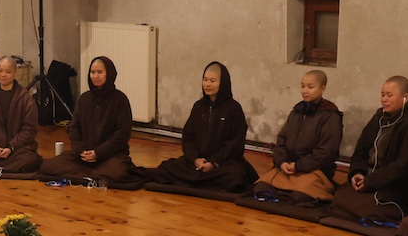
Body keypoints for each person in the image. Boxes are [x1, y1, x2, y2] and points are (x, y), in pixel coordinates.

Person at [326, 76, 408, 225]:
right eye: (382, 95)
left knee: (365, 206)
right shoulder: (379, 118)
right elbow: (361, 149)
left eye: (389, 95)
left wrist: (370, 182)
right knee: (340, 197)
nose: (384, 99)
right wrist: (357, 172)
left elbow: (403, 168)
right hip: (370, 181)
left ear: (405, 97)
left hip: (397, 189)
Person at [142, 62, 255, 192]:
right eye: (205, 80)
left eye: (212, 81)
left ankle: (196, 180)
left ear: (223, 83)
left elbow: (235, 144)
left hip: (222, 164)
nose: (207, 84)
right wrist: (195, 159)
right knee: (166, 168)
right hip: (197, 163)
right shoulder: (198, 106)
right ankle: (204, 181)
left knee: (235, 176)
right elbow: (188, 137)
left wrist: (213, 163)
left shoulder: (233, 109)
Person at [39, 56, 136, 185]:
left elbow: (122, 135)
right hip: (82, 156)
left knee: (118, 172)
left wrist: (98, 153)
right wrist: (81, 151)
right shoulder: (84, 98)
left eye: (100, 72)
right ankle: (92, 175)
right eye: (92, 72)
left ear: (109, 74)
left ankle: (84, 174)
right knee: (47, 166)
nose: (95, 76)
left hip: (110, 156)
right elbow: (74, 129)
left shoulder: (120, 99)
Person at [255, 70, 344, 202]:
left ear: (323, 89)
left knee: (300, 196)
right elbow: (282, 140)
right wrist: (282, 162)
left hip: (314, 170)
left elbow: (326, 152)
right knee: (261, 188)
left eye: (310, 87)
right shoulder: (296, 112)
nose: (305, 91)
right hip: (288, 168)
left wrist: (299, 166)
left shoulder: (330, 116)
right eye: (302, 86)